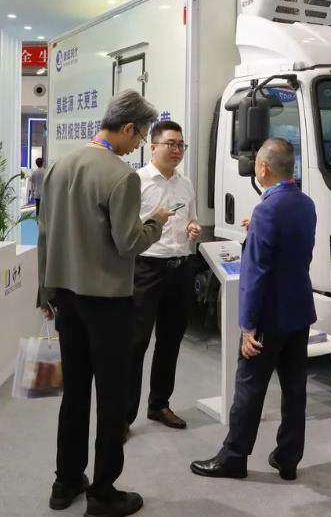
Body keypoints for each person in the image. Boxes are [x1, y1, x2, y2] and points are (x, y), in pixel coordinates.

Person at [37, 89, 174, 517]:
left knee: (75, 392)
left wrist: (45, 291)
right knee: (112, 397)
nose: (138, 146)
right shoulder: (121, 176)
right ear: (128, 128)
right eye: (141, 137)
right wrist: (156, 222)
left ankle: (65, 482)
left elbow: (44, 233)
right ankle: (103, 493)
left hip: (65, 297)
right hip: (108, 301)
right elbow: (128, 242)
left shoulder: (60, 166)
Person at [190, 138, 317, 481]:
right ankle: (288, 458)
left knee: (249, 388)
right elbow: (294, 250)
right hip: (299, 311)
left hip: (269, 316)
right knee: (295, 389)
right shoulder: (305, 203)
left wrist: (247, 326)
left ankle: (233, 457)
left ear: (262, 168)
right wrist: (256, 230)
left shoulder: (267, 209)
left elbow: (257, 272)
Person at [126, 120, 202, 435]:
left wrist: (193, 228)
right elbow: (126, 228)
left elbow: (192, 219)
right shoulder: (137, 181)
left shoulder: (186, 184)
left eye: (181, 145)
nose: (176, 150)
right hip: (146, 269)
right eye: (170, 144)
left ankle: (159, 404)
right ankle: (124, 416)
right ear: (153, 145)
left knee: (170, 341)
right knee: (136, 343)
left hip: (180, 267)